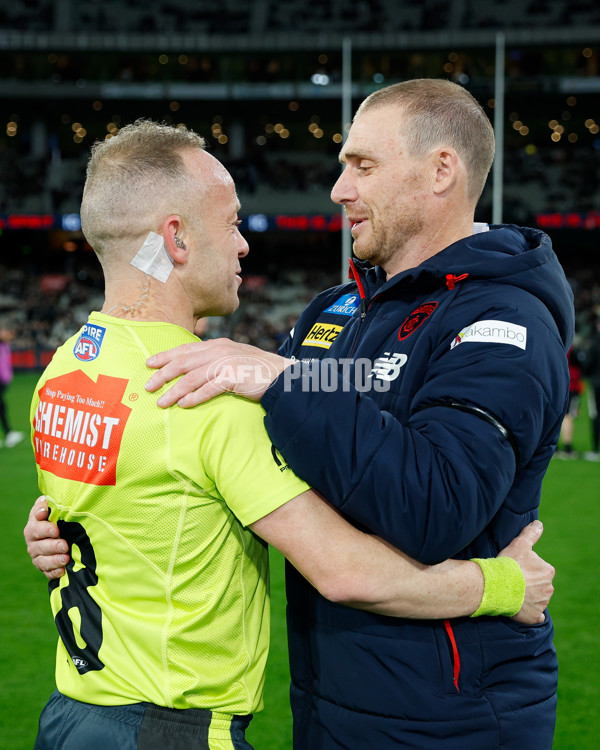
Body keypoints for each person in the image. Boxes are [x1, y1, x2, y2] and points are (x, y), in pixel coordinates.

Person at [23, 119, 554, 750]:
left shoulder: (63, 369)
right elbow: (345, 571)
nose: (246, 245)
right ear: (176, 239)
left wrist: (62, 530)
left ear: (442, 171)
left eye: (363, 166)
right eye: (232, 224)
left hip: (76, 713)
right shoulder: (207, 394)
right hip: (174, 725)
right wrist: (505, 584)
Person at [0, 325, 25, 448]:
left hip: (2, 382)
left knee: (2, 407)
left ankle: (9, 434)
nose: (9, 334)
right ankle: (9, 434)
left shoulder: (4, 346)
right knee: (2, 406)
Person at [582, 316, 600, 460]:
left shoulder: (594, 344)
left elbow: (587, 365)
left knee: (595, 415)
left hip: (596, 384)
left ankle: (595, 449)